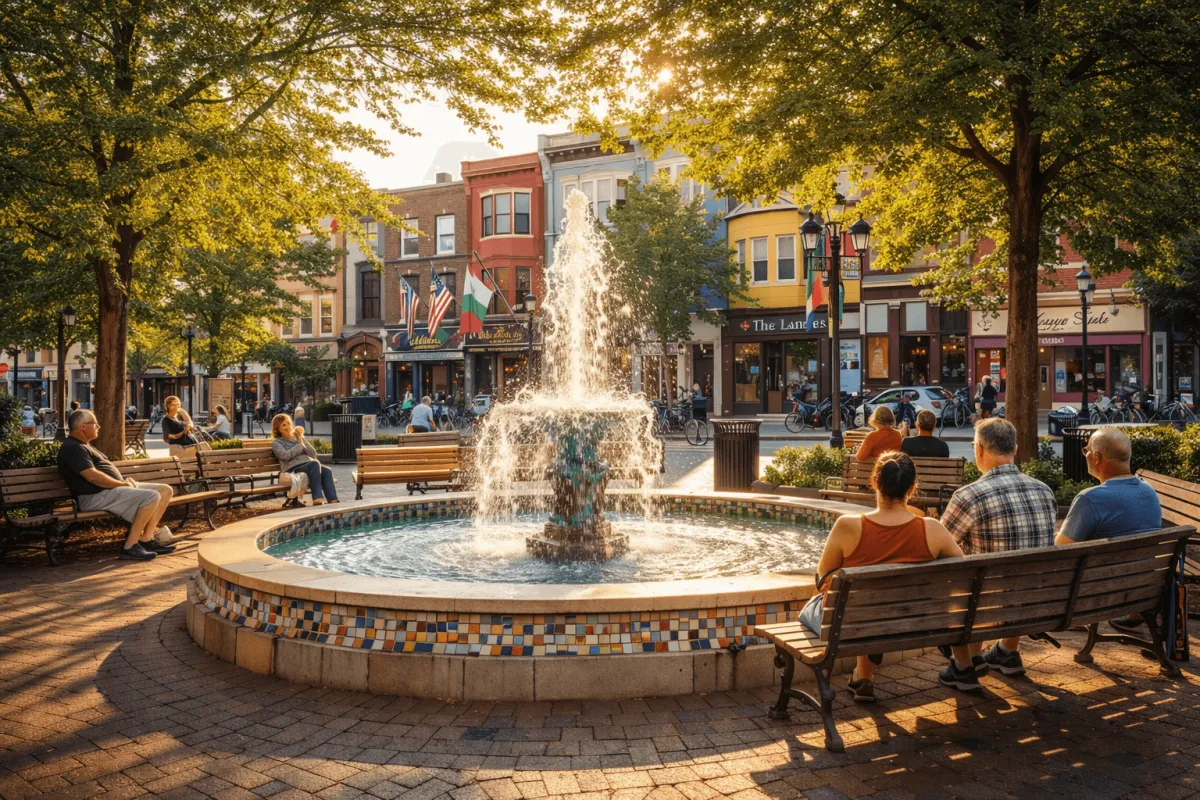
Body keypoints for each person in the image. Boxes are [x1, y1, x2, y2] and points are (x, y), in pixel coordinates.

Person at [798, 452, 963, 702]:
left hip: (851, 624)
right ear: (912, 487)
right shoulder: (932, 529)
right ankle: (862, 674)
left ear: (874, 481)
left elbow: (822, 578)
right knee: (868, 603)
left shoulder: (848, 526)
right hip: (912, 621)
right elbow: (963, 571)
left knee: (822, 606)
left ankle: (863, 675)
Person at [938, 418, 1057, 689]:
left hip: (983, 605)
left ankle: (963, 665)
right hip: (1036, 600)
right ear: (1014, 448)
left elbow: (940, 547)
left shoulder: (969, 495)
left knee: (952, 575)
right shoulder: (1044, 491)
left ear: (979, 449)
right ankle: (1006, 651)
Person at [57, 410, 176, 561]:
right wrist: (122, 483)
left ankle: (147, 538)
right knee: (152, 496)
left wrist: (123, 483)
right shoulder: (73, 448)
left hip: (109, 492)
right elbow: (93, 477)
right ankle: (130, 546)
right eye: (95, 424)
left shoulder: (84, 446)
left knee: (164, 490)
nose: (98, 426)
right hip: (94, 496)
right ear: (83, 427)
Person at [1056, 427, 1161, 545]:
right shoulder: (1149, 491)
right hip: (1150, 563)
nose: (1085, 454)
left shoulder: (1089, 499)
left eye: (1086, 450)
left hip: (1099, 563)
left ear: (1096, 458)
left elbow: (1060, 547)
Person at [271, 414, 338, 505]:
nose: (288, 427)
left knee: (326, 471)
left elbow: (313, 454)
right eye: (284, 425)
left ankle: (333, 499)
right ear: (277, 429)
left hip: (308, 465)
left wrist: (301, 439)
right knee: (314, 464)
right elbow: (285, 456)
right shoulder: (277, 442)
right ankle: (317, 498)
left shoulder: (297, 437)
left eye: (288, 423)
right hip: (291, 468)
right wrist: (299, 445)